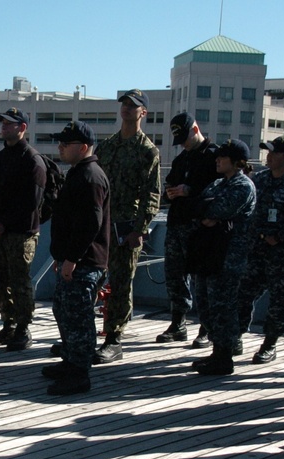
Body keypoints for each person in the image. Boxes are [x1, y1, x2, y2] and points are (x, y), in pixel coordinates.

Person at [92, 89, 161, 364]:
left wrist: (139, 229)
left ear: (143, 112)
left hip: (125, 226)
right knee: (92, 280)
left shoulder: (147, 151)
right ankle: (82, 335)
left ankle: (113, 339)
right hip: (101, 224)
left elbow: (152, 193)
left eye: (133, 106)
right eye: (124, 104)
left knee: (120, 282)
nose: (127, 109)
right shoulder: (107, 146)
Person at [42, 121, 111, 396]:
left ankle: (79, 373)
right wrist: (63, 257)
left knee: (79, 317)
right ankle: (70, 361)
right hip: (73, 259)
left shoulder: (90, 177)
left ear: (82, 148)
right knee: (64, 310)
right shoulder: (78, 173)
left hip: (85, 261)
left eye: (65, 144)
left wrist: (72, 258)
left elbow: (89, 223)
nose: (59, 147)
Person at [237, 136, 284, 364]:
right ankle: (236, 336)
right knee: (244, 293)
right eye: (267, 152)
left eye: (274, 152)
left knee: (279, 300)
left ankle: (270, 343)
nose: (269, 156)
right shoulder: (260, 180)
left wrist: (279, 237)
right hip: (256, 250)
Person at [186, 139, 257, 376]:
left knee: (223, 306)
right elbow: (196, 208)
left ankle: (224, 356)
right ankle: (216, 351)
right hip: (209, 252)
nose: (217, 160)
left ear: (237, 162)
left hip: (229, 256)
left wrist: (209, 214)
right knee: (205, 304)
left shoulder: (243, 186)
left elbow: (216, 210)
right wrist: (205, 214)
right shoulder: (217, 183)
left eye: (223, 157)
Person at [0, 107, 47, 351]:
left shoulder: (32, 161)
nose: (4, 127)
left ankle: (23, 328)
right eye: (2, 123)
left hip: (22, 233)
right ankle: (8, 324)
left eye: (10, 123)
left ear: (22, 127)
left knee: (20, 282)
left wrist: (3, 222)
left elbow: (31, 203)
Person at [156, 112, 220, 347]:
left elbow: (219, 191)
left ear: (195, 129)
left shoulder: (214, 156)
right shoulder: (181, 159)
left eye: (185, 137)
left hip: (200, 227)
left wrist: (190, 190)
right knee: (175, 275)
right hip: (177, 223)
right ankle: (178, 322)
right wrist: (171, 192)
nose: (183, 143)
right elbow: (169, 187)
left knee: (201, 279)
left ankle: (205, 327)